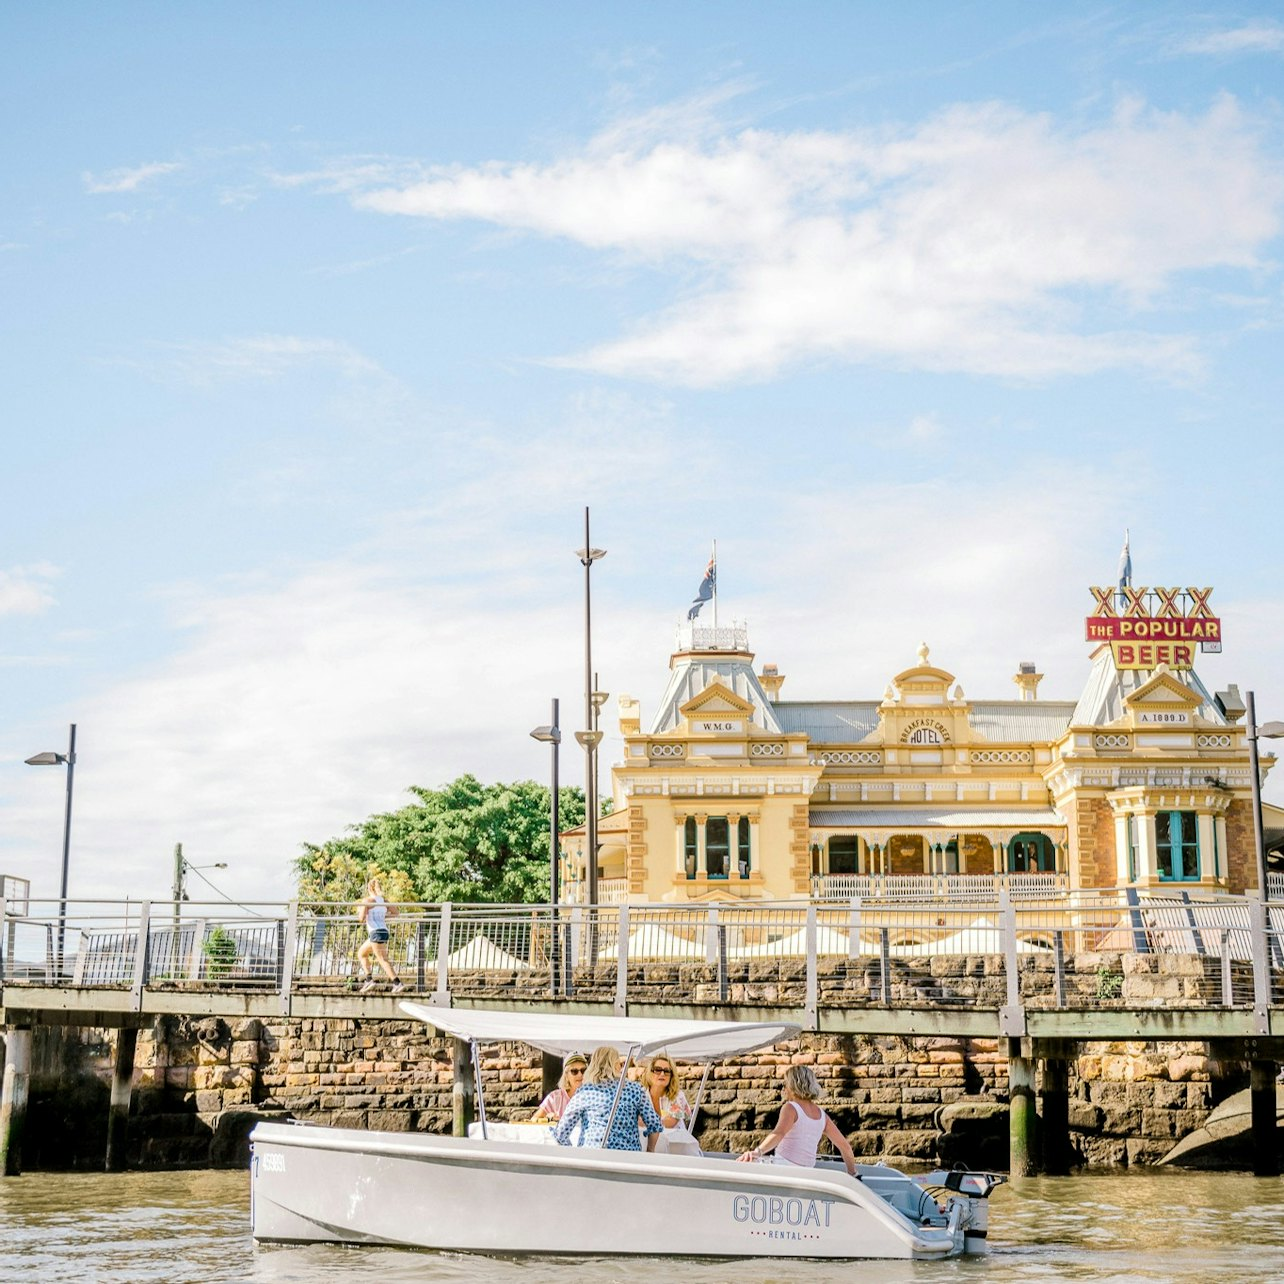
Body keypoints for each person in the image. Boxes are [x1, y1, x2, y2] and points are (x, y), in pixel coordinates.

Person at [737, 1064, 857, 1176]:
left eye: (786, 1084)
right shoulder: (822, 1115)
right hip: (806, 1174)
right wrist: (853, 1174)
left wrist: (757, 1152)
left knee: (743, 1165)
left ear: (793, 1085)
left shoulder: (791, 1107)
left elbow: (779, 1133)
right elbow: (845, 1146)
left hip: (783, 1169)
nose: (784, 1089)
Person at [553, 1045, 664, 1152]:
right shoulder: (635, 1089)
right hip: (628, 1157)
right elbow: (654, 1124)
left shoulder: (585, 1091)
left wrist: (573, 1151)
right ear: (616, 1065)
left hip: (592, 1154)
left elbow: (561, 1132)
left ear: (594, 1065)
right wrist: (650, 1150)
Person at [356, 876, 403, 993]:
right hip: (383, 930)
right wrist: (382, 917)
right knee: (362, 953)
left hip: (375, 932)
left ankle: (397, 983)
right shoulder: (384, 901)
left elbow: (361, 919)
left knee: (382, 959)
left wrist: (363, 911)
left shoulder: (367, 901)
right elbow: (396, 913)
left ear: (369, 888)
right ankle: (368, 979)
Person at [532, 1053, 588, 1122]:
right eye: (574, 1071)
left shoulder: (592, 1096)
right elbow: (534, 1119)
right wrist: (549, 1118)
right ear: (566, 1075)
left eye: (583, 1071)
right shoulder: (555, 1097)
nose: (580, 1075)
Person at [642, 1054, 691, 1130]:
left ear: (671, 1076)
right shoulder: (639, 1095)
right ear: (650, 1073)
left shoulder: (678, 1096)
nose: (662, 1074)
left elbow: (670, 1122)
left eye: (666, 1071)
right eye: (658, 1070)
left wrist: (644, 1123)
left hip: (674, 1140)